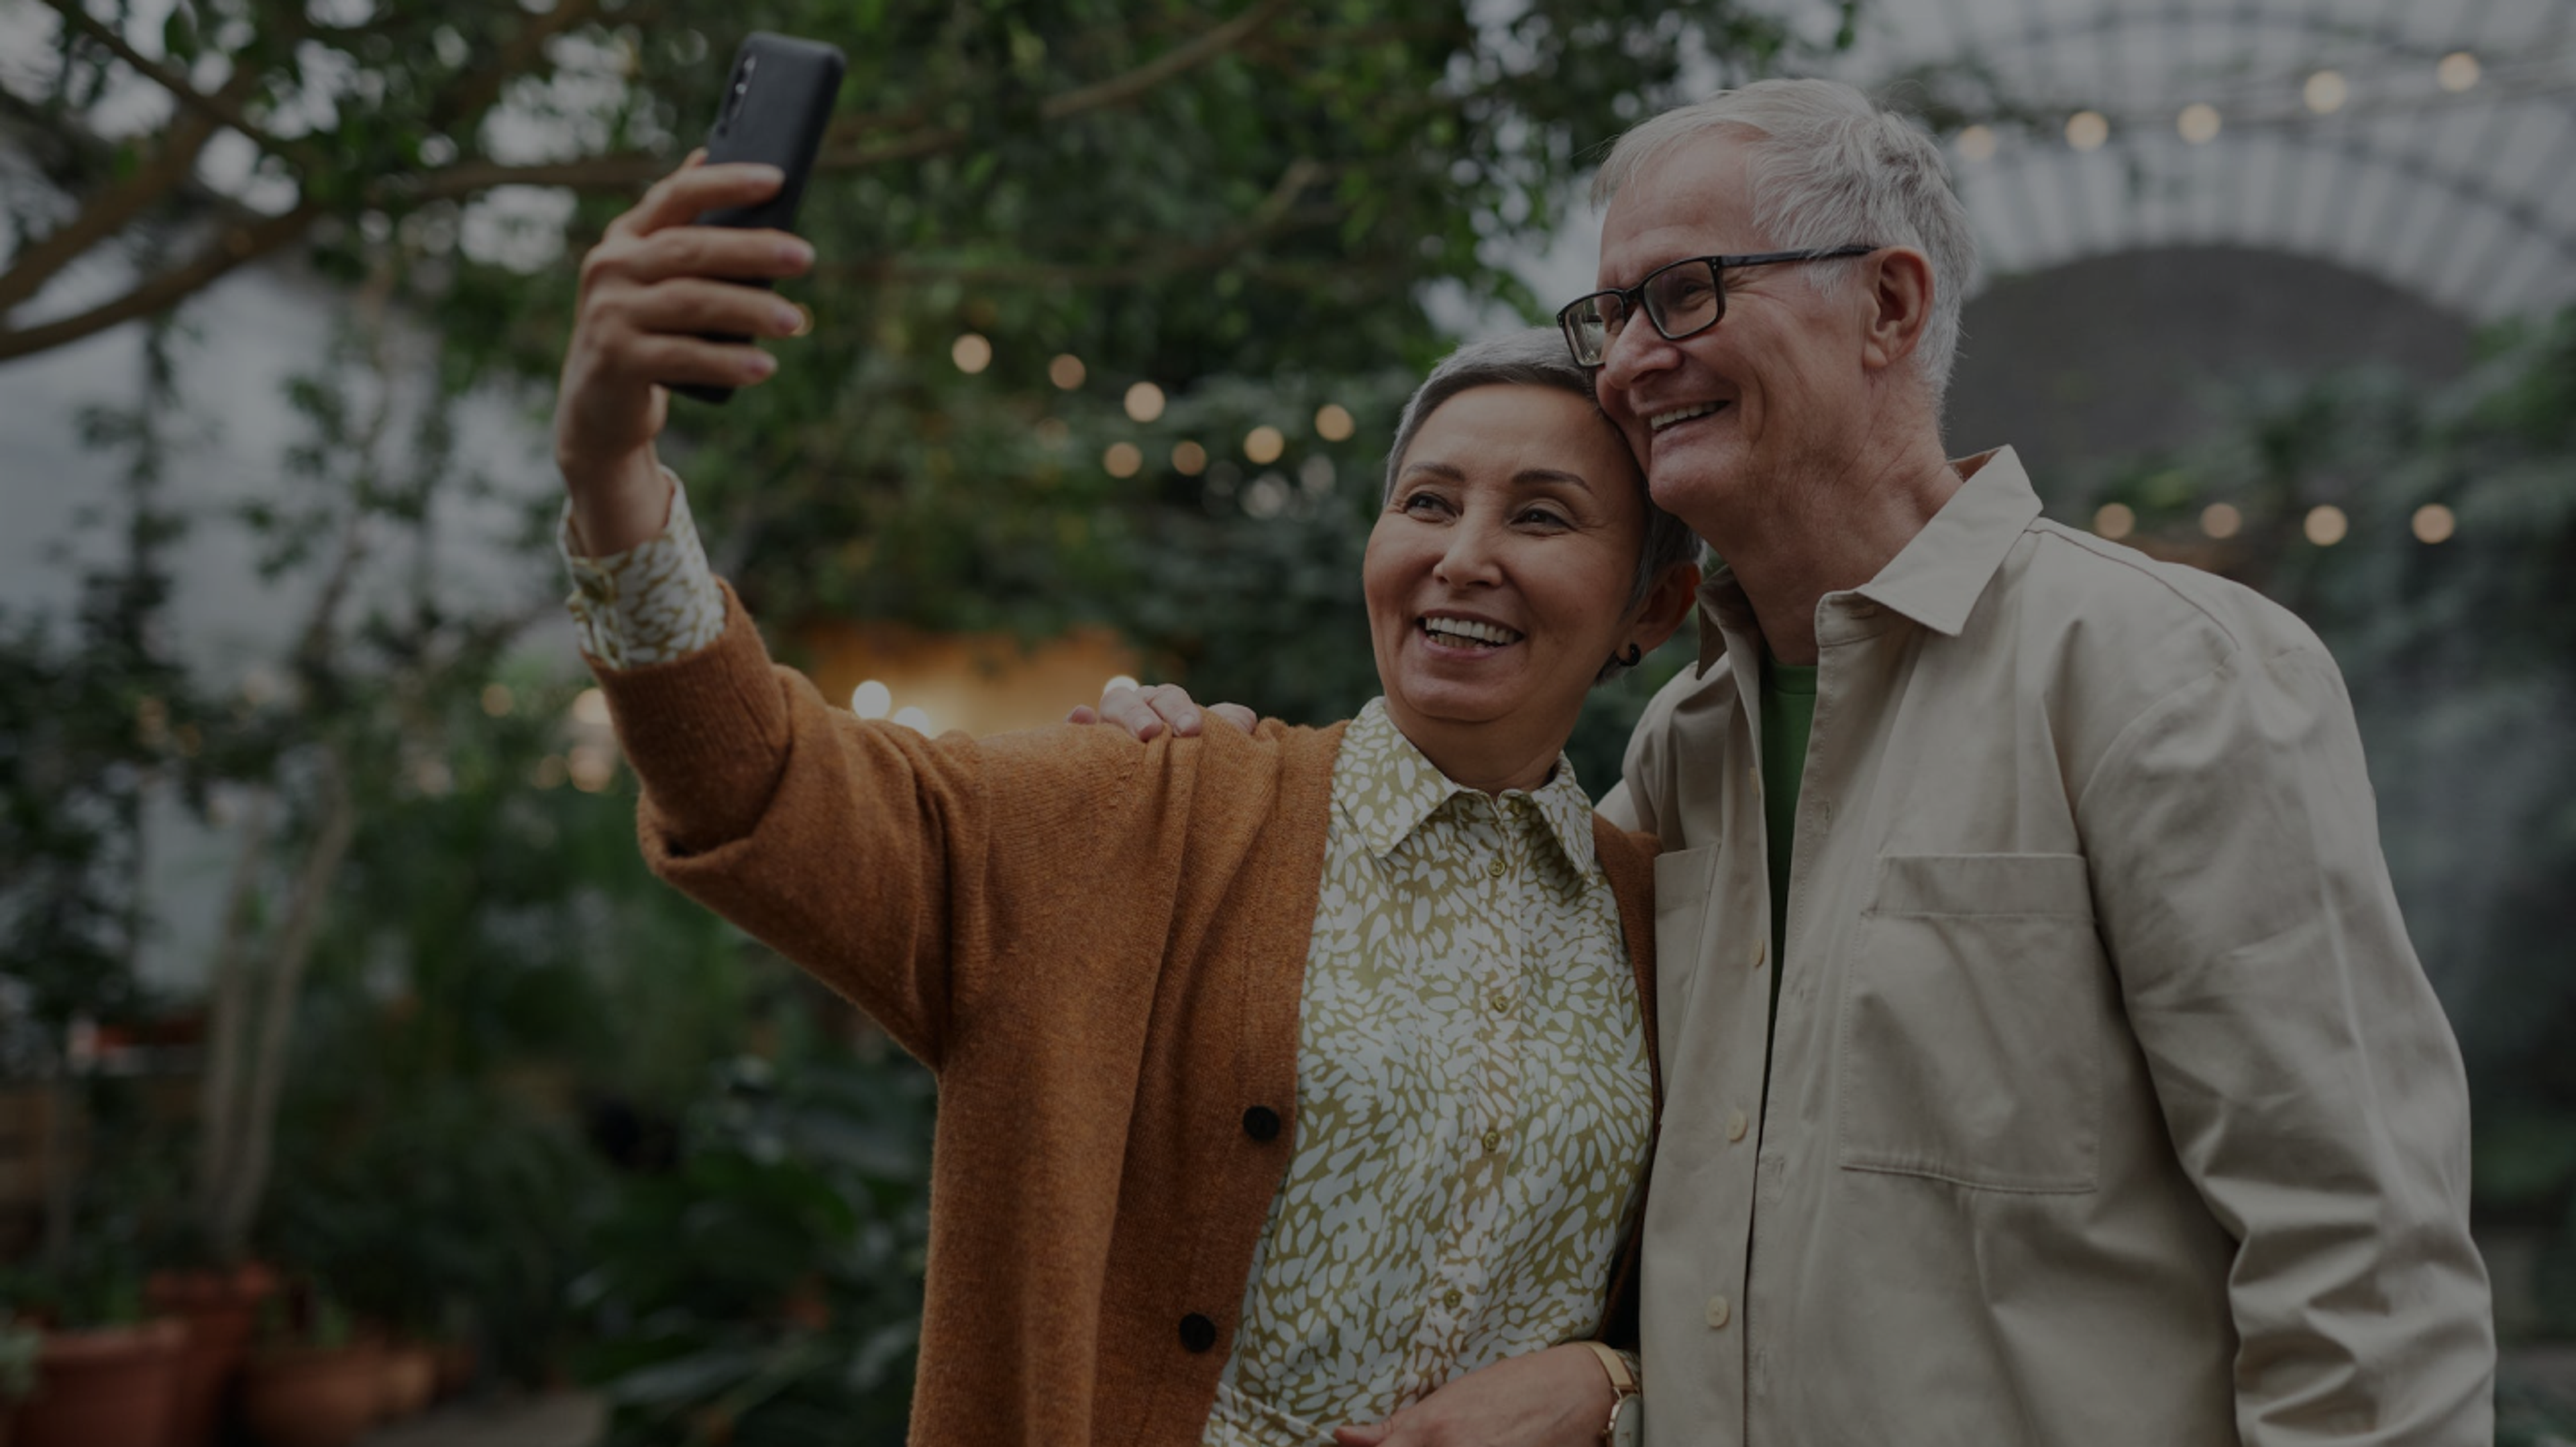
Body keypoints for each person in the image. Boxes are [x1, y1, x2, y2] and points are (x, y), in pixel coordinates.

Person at [1099, 79, 2497, 1444]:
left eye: (1689, 292)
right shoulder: (1678, 754)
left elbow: (2365, 1275)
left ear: (1889, 303)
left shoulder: (2161, 673)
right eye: (1614, 315)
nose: (1635, 359)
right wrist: (1210, 793)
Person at [549, 156, 1704, 1447]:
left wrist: (1617, 1383)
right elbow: (760, 783)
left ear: (1651, 606)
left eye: (1542, 517)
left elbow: (1746, 1298)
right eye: (1425, 502)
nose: (1463, 555)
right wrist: (610, 472)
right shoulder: (1145, 817)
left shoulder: (1672, 923)